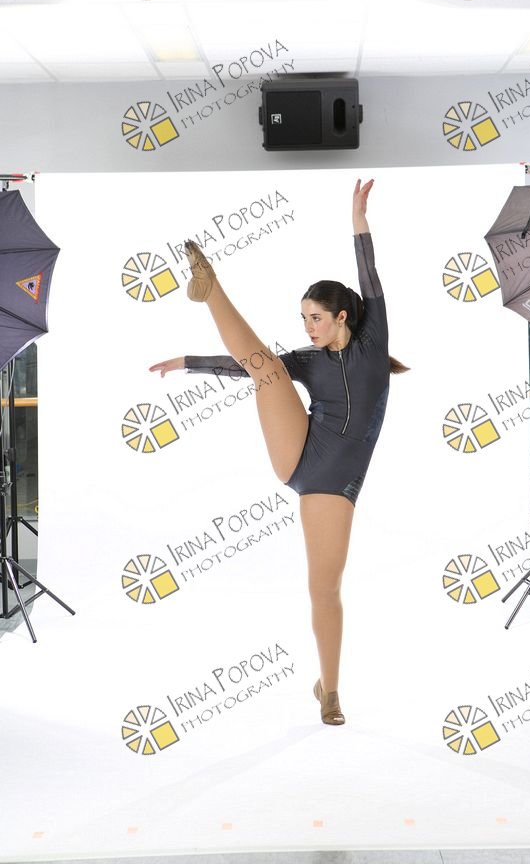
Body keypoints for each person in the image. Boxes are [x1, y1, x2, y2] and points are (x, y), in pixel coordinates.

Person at [150, 179, 407, 725]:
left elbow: (370, 277)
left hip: (332, 483)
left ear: (342, 317)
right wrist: (188, 362)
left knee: (325, 588)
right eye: (303, 319)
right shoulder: (309, 362)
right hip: (299, 454)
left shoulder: (373, 344)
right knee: (267, 367)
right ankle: (210, 287)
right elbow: (247, 365)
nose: (308, 328)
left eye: (316, 317)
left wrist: (359, 220)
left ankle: (329, 690)